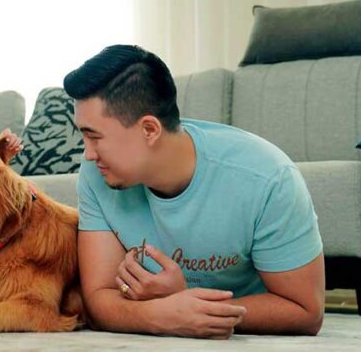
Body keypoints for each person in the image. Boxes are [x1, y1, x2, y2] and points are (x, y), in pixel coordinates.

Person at [69, 45, 324, 339]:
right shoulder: (95, 175)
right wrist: (160, 314)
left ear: (149, 129)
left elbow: (306, 310)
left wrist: (192, 306)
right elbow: (99, 297)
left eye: (94, 136)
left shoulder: (268, 179)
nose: (87, 154)